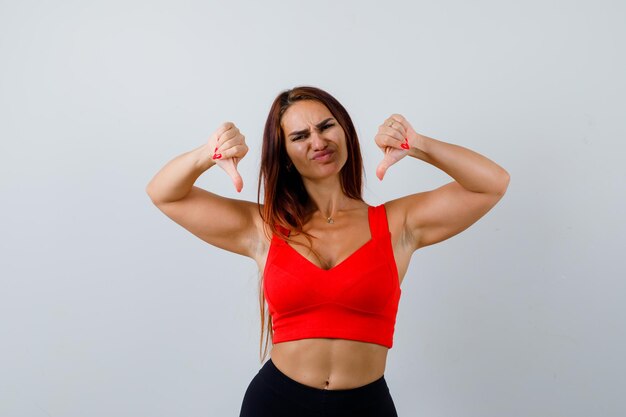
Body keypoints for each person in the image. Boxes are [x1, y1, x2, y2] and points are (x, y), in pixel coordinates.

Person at [145, 86, 510, 417]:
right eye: (300, 136)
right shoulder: (264, 228)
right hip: (276, 403)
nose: (318, 141)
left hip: (365, 407)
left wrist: (418, 145)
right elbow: (164, 193)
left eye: (326, 126)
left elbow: (491, 184)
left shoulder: (399, 224)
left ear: (346, 132)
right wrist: (206, 155)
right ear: (285, 154)